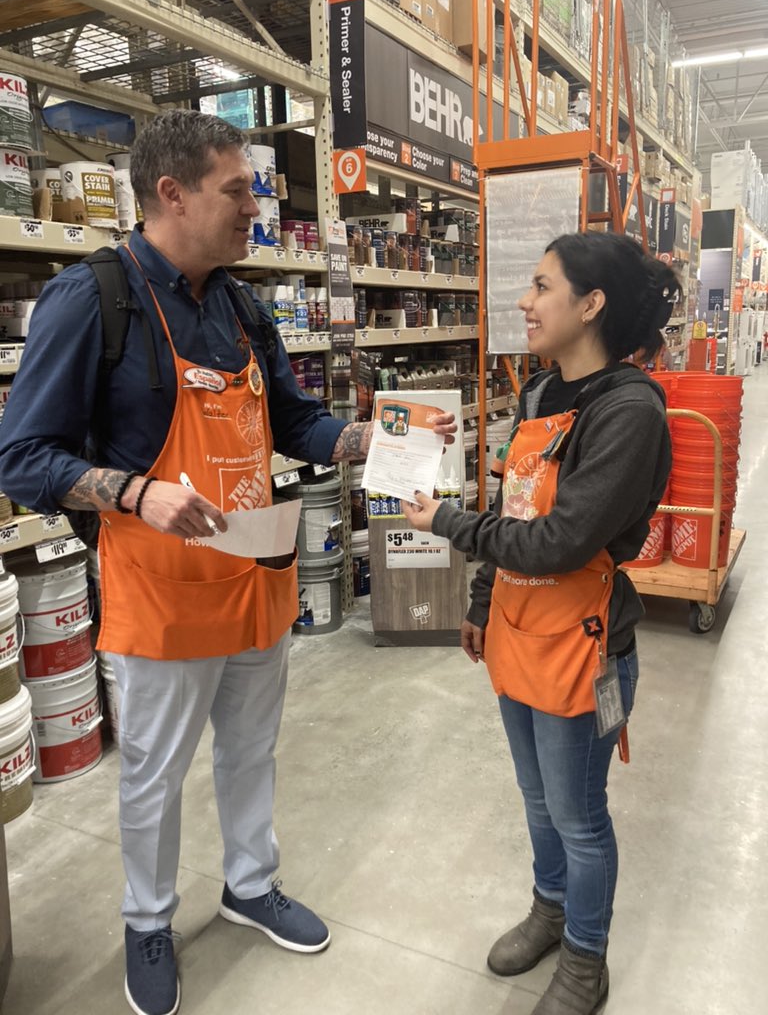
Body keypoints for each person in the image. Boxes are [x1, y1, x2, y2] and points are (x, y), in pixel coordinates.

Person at [0, 110, 454, 1015]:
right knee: (156, 773)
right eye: (239, 188)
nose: (255, 205)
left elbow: (293, 422)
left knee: (251, 751)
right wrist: (134, 492)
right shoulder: (93, 299)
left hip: (256, 575)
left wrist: (375, 439)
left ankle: (250, 885)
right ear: (172, 194)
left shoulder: (242, 305)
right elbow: (21, 456)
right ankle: (147, 921)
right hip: (164, 589)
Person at [402, 232, 677, 1015]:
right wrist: (484, 602)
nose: (524, 301)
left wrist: (451, 525)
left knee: (580, 817)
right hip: (520, 629)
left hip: (584, 647)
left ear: (590, 305)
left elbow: (560, 541)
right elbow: (518, 509)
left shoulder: (628, 412)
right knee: (536, 798)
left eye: (541, 285)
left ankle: (586, 959)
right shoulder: (540, 394)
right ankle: (550, 909)